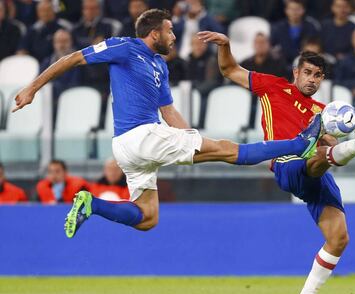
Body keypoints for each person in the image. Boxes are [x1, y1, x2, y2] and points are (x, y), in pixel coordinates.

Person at [14, 9, 323, 238]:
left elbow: (169, 111)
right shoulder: (125, 47)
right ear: (154, 34)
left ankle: (91, 205)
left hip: (130, 149)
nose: (175, 37)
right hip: (140, 136)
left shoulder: (160, 65)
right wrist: (31, 88)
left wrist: (192, 138)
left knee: (147, 217)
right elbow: (72, 58)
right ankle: (300, 143)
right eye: (170, 31)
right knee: (230, 150)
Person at [198, 30, 355, 294]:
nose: (312, 79)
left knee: (339, 238)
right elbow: (229, 69)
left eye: (318, 75)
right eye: (307, 72)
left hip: (316, 171)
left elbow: (332, 145)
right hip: (287, 163)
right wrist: (225, 45)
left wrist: (341, 139)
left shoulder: (323, 112)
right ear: (296, 72)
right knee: (320, 156)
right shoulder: (272, 87)